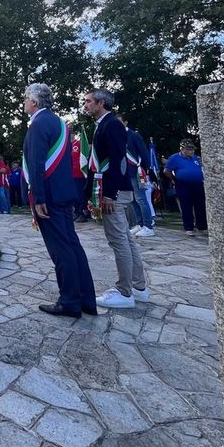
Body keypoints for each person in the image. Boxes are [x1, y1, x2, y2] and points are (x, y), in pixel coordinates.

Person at [22, 84, 97, 318]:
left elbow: (36, 163)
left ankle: (70, 301)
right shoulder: (59, 123)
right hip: (64, 193)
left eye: (25, 99)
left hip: (50, 198)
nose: (24, 103)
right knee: (73, 246)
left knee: (61, 250)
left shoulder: (38, 124)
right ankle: (86, 299)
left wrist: (39, 197)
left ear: (34, 102)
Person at [83, 90, 150, 309]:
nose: (86, 105)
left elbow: (118, 159)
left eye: (89, 101)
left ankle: (124, 291)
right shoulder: (104, 124)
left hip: (116, 192)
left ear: (101, 103)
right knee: (126, 240)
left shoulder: (111, 124)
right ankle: (139, 287)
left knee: (118, 240)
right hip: (116, 190)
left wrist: (109, 194)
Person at [164, 139, 208, 236]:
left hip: (198, 185)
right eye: (189, 149)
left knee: (200, 206)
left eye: (192, 149)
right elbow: (166, 171)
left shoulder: (196, 158)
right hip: (183, 185)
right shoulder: (174, 158)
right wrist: (175, 179)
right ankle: (189, 228)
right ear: (182, 149)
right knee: (186, 206)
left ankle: (202, 227)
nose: (192, 151)